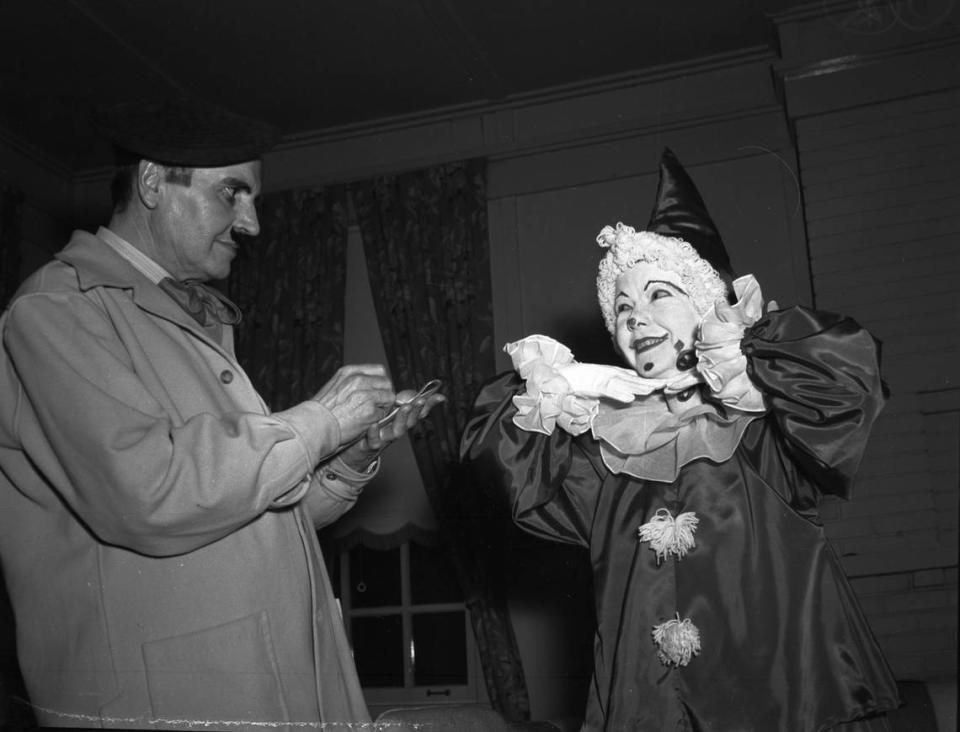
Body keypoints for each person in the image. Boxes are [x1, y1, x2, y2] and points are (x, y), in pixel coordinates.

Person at [0, 98, 443, 730]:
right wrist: (319, 420)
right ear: (153, 182)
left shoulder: (185, 320)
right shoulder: (58, 310)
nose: (253, 223)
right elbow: (148, 494)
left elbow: (245, 521)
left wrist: (348, 458)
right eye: (232, 193)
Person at [460, 149, 901, 731]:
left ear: (706, 307)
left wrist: (748, 357)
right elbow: (502, 468)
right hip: (650, 708)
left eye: (658, 295)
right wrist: (554, 393)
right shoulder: (599, 446)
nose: (636, 318)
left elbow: (846, 376)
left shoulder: (763, 420)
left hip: (789, 703)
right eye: (622, 307)